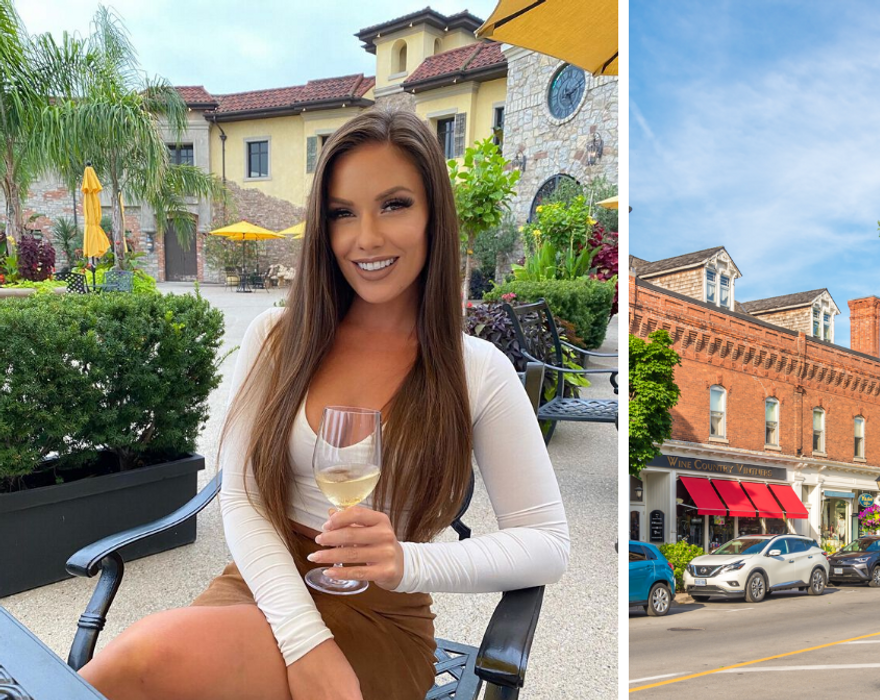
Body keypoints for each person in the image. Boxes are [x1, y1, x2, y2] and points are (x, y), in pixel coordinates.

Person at [79, 108, 570, 700]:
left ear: (434, 215)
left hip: (377, 616)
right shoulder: (276, 337)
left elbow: (547, 544)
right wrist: (303, 639)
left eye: (394, 205)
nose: (366, 237)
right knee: (142, 664)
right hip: (262, 583)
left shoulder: (475, 369)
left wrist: (405, 561)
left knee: (143, 662)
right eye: (343, 213)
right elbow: (241, 496)